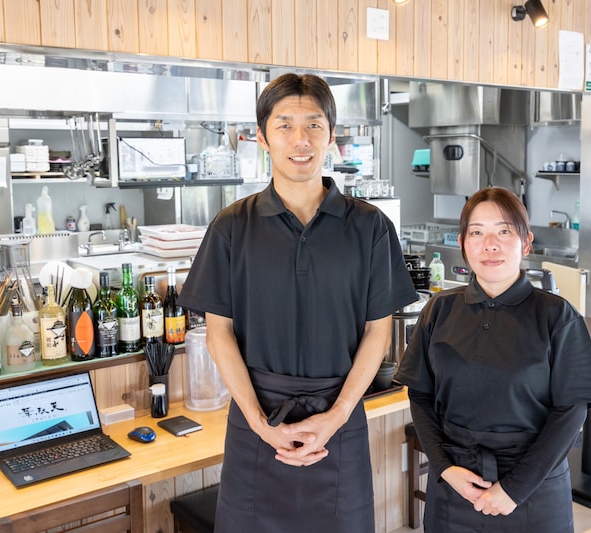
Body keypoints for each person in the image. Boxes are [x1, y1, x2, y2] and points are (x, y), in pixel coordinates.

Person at [179, 72, 417, 533]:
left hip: (340, 420)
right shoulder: (232, 227)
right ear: (263, 137)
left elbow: (378, 332)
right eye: (284, 124)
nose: (300, 139)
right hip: (257, 422)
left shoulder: (369, 227)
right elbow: (219, 333)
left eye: (313, 125)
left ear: (331, 135)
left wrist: (337, 416)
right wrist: (259, 423)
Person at [395, 187, 591, 533]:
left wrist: (514, 489)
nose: (489, 244)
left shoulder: (556, 315)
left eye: (504, 231)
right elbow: (420, 395)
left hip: (532, 489)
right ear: (463, 242)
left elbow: (571, 411)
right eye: (477, 232)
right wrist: (445, 468)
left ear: (526, 243)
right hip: (454, 485)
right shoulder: (440, 309)